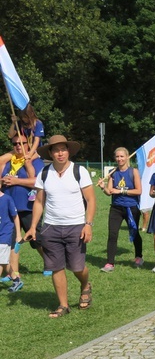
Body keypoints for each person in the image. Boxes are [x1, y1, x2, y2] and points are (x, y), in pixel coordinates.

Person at [24, 135, 96, 318]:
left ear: (68, 151)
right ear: (50, 153)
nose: (60, 153)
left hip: (76, 226)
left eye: (63, 149)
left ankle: (85, 285)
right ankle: (63, 305)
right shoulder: (44, 174)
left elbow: (91, 199)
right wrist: (33, 227)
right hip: (51, 227)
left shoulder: (79, 171)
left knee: (77, 267)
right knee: (56, 267)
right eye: (56, 150)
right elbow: (39, 202)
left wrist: (88, 224)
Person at [0, 133, 47, 276]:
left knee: (36, 239)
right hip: (9, 207)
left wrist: (16, 181)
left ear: (29, 143)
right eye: (15, 144)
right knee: (13, 239)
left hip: (28, 206)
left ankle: (50, 263)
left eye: (22, 143)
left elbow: (37, 182)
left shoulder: (35, 161)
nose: (18, 146)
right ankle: (14, 272)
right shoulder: (9, 161)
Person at [98, 147, 143, 272]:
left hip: (131, 207)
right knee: (112, 234)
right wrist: (103, 187)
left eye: (122, 156)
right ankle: (110, 263)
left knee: (134, 233)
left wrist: (121, 191)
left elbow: (138, 191)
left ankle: (139, 256)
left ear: (127, 157)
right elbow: (110, 192)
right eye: (117, 157)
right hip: (116, 208)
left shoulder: (133, 172)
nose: (119, 159)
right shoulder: (113, 172)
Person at [0, 188, 22, 292]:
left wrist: (18, 234)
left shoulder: (7, 199)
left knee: (0, 262)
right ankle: (16, 279)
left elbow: (15, 217)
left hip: (5, 235)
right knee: (5, 262)